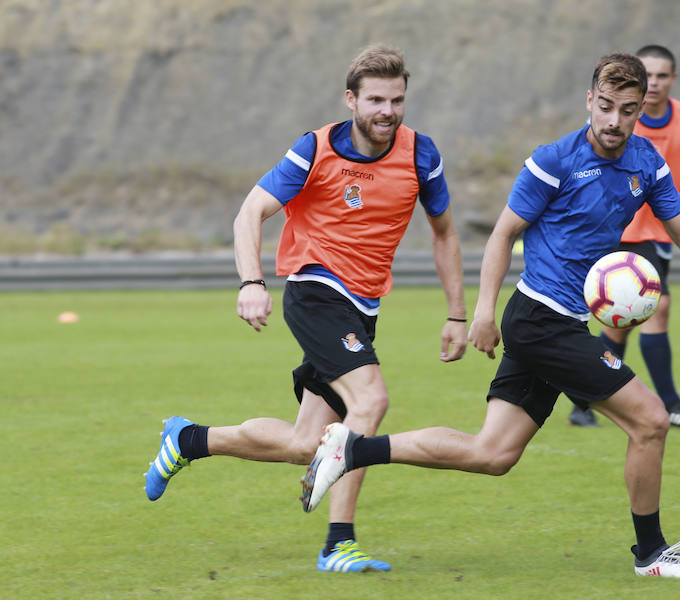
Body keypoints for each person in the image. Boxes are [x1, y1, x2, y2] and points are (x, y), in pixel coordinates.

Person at [300, 53, 680, 578]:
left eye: (627, 110)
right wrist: (483, 312)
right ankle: (652, 554)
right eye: (606, 106)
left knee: (492, 454)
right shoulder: (553, 161)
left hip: (561, 323)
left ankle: (354, 450)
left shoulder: (646, 162)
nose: (614, 120)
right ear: (589, 101)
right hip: (541, 320)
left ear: (639, 110)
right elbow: (502, 235)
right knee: (651, 420)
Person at [142, 44, 468, 573]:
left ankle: (188, 439)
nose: (387, 111)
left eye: (397, 100)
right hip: (316, 291)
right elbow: (250, 212)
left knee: (305, 444)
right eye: (376, 100)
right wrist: (252, 282)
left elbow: (445, 234)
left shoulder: (420, 155)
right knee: (371, 400)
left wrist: (457, 313)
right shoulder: (314, 149)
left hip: (363, 307)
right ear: (351, 100)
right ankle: (339, 543)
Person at [569, 44, 680, 428]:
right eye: (647, 75)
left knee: (618, 323)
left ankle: (582, 402)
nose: (654, 82)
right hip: (627, 231)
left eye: (661, 75)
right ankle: (670, 403)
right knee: (658, 305)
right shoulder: (619, 123)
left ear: (673, 79)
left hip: (663, 232)